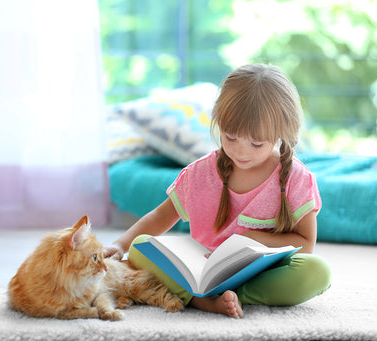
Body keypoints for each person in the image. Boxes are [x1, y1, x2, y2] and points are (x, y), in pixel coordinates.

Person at [104, 63, 332, 318]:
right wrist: (120, 245)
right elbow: (160, 217)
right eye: (230, 137)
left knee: (317, 271)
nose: (240, 151)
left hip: (260, 274)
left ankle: (236, 296)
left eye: (256, 143)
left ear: (282, 133)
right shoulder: (200, 173)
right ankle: (202, 298)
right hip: (201, 270)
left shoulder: (296, 179)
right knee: (140, 247)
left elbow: (305, 244)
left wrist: (258, 240)